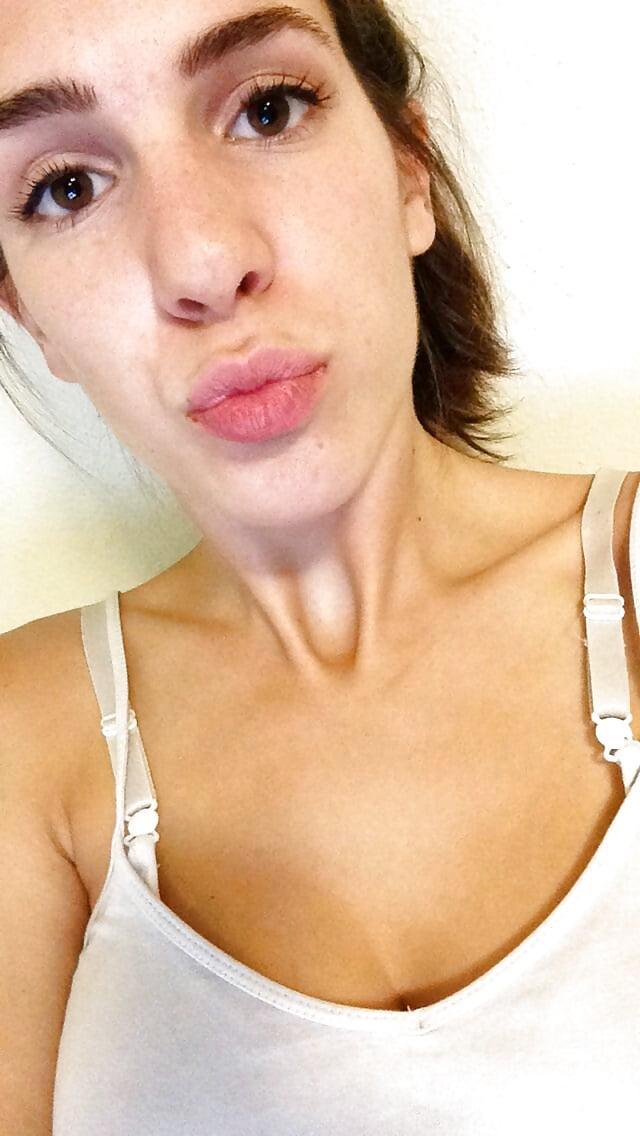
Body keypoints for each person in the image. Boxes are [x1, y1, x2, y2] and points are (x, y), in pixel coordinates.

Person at [1, 1, 639, 1132]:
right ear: (30, 317)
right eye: (66, 188)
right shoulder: (23, 747)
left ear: (408, 171)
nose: (204, 264)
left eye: (267, 109)